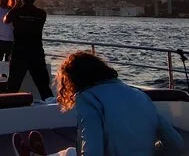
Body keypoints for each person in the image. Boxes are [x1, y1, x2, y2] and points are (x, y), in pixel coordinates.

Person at [12, 52, 185, 155]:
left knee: (72, 152)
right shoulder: (140, 95)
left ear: (75, 80)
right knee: (70, 152)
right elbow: (176, 144)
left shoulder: (88, 99)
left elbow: (92, 152)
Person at [3, 0, 53, 100]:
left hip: (19, 53)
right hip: (37, 53)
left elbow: (6, 20)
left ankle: (8, 107)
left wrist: (15, 6)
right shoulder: (42, 13)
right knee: (44, 87)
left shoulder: (17, 12)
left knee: (13, 86)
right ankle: (51, 106)